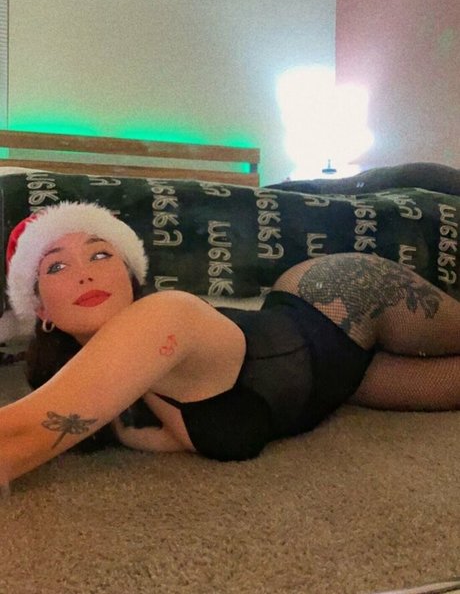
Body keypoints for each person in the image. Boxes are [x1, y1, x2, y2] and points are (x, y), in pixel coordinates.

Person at [0, 201, 459, 486]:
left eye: (101, 254)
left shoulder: (165, 316)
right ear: (40, 309)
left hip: (338, 300)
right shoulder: (109, 398)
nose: (85, 273)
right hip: (344, 381)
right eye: (57, 267)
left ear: (130, 275)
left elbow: (19, 433)